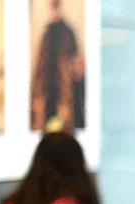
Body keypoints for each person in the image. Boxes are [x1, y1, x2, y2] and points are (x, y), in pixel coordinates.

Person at [31, 0, 85, 132]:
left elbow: (75, 64)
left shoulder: (67, 33)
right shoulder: (47, 35)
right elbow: (41, 69)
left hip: (65, 96)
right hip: (49, 96)